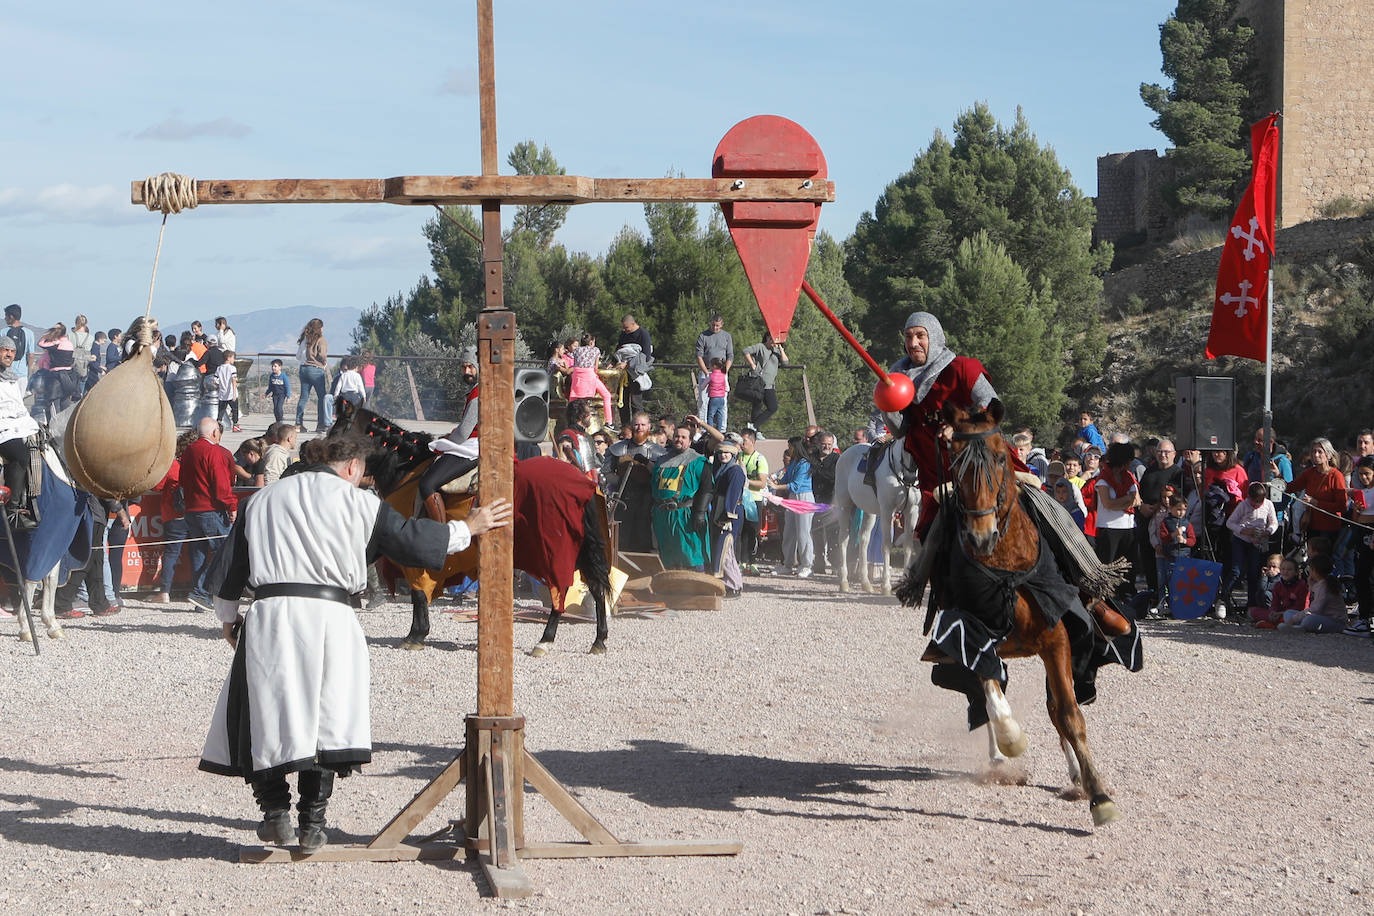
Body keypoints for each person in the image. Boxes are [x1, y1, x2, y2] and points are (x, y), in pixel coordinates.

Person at [199, 432, 512, 854]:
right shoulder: (361, 504)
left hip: (272, 617)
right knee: (326, 719)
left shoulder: (260, 500)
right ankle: (312, 824)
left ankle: (275, 815)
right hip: (332, 618)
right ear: (352, 467)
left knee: (266, 713)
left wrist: (227, 618)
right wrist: (466, 528)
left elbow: (234, 564)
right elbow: (412, 540)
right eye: (362, 474)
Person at [867, 312, 1000, 538]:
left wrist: (962, 425)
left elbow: (992, 405)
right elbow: (901, 431)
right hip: (936, 480)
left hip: (981, 471)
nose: (913, 343)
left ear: (935, 337)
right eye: (908, 337)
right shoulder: (899, 377)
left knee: (1037, 516)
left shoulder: (962, 369)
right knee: (930, 542)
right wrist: (887, 405)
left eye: (920, 335)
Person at [180, 417, 238, 612]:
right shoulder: (213, 451)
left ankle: (201, 598)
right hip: (212, 509)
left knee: (198, 553)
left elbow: (182, 480)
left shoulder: (189, 451)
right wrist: (231, 505)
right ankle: (201, 592)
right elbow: (222, 485)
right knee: (224, 551)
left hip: (192, 509)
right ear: (215, 433)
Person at [416, 349, 480, 523]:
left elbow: (464, 433)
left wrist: (445, 442)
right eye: (464, 367)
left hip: (474, 447)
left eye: (470, 367)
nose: (466, 371)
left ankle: (440, 535)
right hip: (474, 443)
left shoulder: (478, 393)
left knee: (427, 484)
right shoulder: (478, 390)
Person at [599, 411, 665, 553]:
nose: (639, 428)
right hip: (624, 499)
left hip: (648, 500)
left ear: (649, 427)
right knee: (622, 539)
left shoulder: (659, 452)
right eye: (636, 424)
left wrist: (647, 465)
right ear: (631, 426)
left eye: (642, 424)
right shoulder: (617, 449)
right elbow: (605, 473)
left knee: (644, 538)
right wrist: (622, 481)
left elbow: (662, 477)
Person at [650, 424, 713, 571]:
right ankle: (672, 590)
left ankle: (697, 589)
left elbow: (707, 488)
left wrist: (700, 513)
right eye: (677, 436)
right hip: (663, 516)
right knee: (668, 556)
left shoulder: (698, 461)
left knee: (690, 553)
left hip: (685, 516)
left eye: (683, 437)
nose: (679, 439)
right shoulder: (661, 461)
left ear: (690, 441)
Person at [150, 430, 196, 604]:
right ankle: (197, 590)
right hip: (196, 513)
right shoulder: (198, 463)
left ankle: (164, 592)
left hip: (173, 515)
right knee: (196, 552)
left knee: (170, 554)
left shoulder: (173, 465)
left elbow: (157, 486)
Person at [1134, 438, 1182, 596]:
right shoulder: (1150, 469)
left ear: (1174, 454)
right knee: (1147, 560)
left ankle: (1167, 595)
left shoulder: (1177, 473)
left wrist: (1157, 508)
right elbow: (1140, 491)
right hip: (1145, 520)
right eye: (1160, 451)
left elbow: (1178, 498)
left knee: (1164, 561)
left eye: (1166, 452)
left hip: (1164, 523)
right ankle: (1152, 593)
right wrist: (1141, 506)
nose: (1163, 455)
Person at [0, 336, 39, 529]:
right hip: (2, 428)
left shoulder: (13, 379)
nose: (9, 354)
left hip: (18, 424)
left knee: (42, 449)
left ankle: (32, 504)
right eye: (5, 350)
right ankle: (12, 511)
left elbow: (19, 407)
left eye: (12, 351)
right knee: (20, 456)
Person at [1093, 441, 1141, 599]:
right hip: (1109, 528)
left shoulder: (1129, 477)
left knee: (1128, 567)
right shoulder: (1103, 479)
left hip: (1128, 527)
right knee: (1109, 565)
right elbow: (1107, 504)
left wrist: (1124, 501)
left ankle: (1126, 595)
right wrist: (1127, 500)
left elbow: (1137, 501)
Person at [1226, 481, 1279, 612]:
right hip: (1241, 540)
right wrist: (1243, 531)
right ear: (1248, 497)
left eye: (1258, 502)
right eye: (1253, 502)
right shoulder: (1243, 505)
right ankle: (1224, 596)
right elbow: (1230, 523)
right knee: (1236, 571)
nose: (1255, 505)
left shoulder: (1268, 505)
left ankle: (1251, 603)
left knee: (1253, 573)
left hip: (1256, 542)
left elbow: (1274, 523)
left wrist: (1268, 531)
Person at [1283, 438, 1346, 547]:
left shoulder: (1336, 476)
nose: (1316, 455)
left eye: (1320, 452)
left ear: (1329, 455)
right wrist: (1279, 476)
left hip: (1329, 528)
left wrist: (1316, 502)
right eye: (1313, 451)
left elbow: (1342, 506)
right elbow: (1291, 487)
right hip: (1311, 526)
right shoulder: (1310, 473)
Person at [771, 436, 815, 577]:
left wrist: (777, 485)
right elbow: (785, 480)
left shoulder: (804, 463)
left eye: (790, 446)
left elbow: (795, 485)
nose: (788, 449)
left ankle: (806, 565)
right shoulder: (793, 463)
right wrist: (774, 480)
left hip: (804, 497)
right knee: (789, 532)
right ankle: (788, 564)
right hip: (792, 498)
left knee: (803, 533)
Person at [709, 434, 747, 598]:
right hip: (719, 510)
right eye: (721, 452)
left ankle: (734, 585)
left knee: (726, 550)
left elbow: (733, 494)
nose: (723, 455)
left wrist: (728, 516)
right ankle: (727, 584)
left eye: (727, 453)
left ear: (733, 455)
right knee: (722, 549)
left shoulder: (735, 471)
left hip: (730, 514)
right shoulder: (719, 470)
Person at [1153, 494, 1196, 618]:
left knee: (1184, 584)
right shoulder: (1166, 522)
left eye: (1183, 509)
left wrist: (1185, 541)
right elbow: (1164, 538)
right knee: (1171, 583)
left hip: (1185, 558)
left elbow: (1193, 540)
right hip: (1171, 558)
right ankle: (1172, 607)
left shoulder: (1188, 524)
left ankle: (1183, 607)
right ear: (1170, 508)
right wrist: (1173, 535)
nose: (1181, 512)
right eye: (1178, 509)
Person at [1279, 556, 1345, 633]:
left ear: (1315, 570)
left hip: (1335, 621)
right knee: (1288, 613)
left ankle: (1300, 627)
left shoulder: (1325, 586)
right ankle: (1298, 626)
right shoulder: (1320, 584)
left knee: (1310, 619)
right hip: (1321, 616)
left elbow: (1316, 609)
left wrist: (1294, 619)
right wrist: (1310, 584)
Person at [741, 332, 788, 434]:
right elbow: (745, 351)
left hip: (769, 384)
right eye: (771, 339)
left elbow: (785, 362)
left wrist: (780, 348)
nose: (773, 341)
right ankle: (755, 429)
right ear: (767, 338)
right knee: (760, 406)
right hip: (759, 382)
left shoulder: (776, 351)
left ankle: (753, 428)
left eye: (775, 339)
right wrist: (752, 364)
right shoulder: (760, 347)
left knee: (771, 407)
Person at [737, 428, 770, 574]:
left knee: (753, 532)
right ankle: (742, 561)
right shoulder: (738, 457)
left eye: (744, 440)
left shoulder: (759, 459)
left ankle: (753, 561)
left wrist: (745, 482)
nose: (741, 444)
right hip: (740, 500)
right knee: (740, 531)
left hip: (755, 500)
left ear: (752, 441)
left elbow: (762, 483)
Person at [694, 315, 734, 432]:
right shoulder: (703, 336)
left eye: (717, 325)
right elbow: (699, 355)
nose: (715, 328)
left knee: (723, 402)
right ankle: (704, 428)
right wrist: (706, 372)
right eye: (713, 325)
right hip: (706, 371)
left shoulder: (727, 336)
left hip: (721, 373)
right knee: (703, 401)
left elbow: (730, 355)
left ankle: (722, 429)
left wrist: (725, 370)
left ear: (721, 325)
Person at [567, 333, 614, 425]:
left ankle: (570, 421)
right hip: (590, 376)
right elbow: (595, 368)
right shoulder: (595, 350)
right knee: (606, 395)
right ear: (591, 342)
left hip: (578, 377)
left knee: (573, 399)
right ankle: (609, 421)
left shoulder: (576, 350)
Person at [615, 315, 652, 426]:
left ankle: (639, 426)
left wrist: (628, 364)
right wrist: (613, 363)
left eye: (626, 328)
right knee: (622, 402)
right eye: (623, 328)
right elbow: (618, 349)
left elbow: (646, 355)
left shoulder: (643, 334)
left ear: (633, 324)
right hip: (623, 374)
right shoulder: (623, 334)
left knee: (636, 403)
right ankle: (625, 427)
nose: (625, 330)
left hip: (636, 374)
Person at [36, 322, 77, 420]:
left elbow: (41, 343)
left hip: (56, 376)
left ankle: (53, 427)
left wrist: (48, 334)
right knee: (65, 402)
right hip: (69, 375)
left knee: (54, 404)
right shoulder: (69, 343)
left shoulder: (56, 344)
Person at [295, 318, 330, 431]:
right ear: (319, 328)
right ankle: (321, 424)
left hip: (303, 369)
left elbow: (298, 356)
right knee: (322, 398)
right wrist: (323, 362)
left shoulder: (305, 339)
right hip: (316, 369)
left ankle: (298, 423)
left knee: (303, 397)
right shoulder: (321, 340)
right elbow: (322, 355)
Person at [1256, 555, 1307, 628]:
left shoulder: (1301, 585)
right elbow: (1275, 603)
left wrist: (1282, 613)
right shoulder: (1278, 585)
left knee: (1289, 615)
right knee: (1253, 611)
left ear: (1296, 572)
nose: (1285, 572)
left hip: (1295, 613)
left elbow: (1301, 607)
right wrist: (1274, 612)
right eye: (1283, 569)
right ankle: (1276, 622)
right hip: (1280, 612)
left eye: (1289, 569)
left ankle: (1273, 624)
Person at [556, 399, 599, 481]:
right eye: (588, 414)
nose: (590, 416)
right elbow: (565, 462)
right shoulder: (568, 435)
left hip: (590, 483)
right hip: (577, 482)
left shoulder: (587, 436)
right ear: (580, 416)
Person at [4, 305, 35, 387]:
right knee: (19, 399)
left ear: (11, 317)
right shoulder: (29, 333)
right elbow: (31, 355)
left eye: (6, 316)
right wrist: (29, 373)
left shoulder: (3, 332)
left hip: (5, 374)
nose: (5, 318)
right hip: (22, 374)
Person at [69, 314, 94, 398]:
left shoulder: (70, 335)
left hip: (71, 366)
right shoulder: (90, 337)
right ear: (86, 324)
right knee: (81, 390)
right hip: (84, 366)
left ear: (76, 323)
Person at [215, 351, 241, 432]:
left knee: (221, 410)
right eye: (233, 358)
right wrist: (234, 393)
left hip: (222, 393)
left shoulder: (219, 368)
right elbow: (233, 380)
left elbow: (215, 380)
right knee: (235, 409)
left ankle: (217, 425)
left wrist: (220, 386)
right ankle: (235, 425)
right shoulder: (232, 368)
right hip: (230, 393)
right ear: (228, 358)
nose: (234, 360)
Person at [264, 359, 292, 424]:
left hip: (282, 395)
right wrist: (266, 394)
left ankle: (280, 420)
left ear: (280, 367)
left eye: (275, 366)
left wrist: (288, 397)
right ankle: (277, 421)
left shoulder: (284, 376)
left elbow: (287, 387)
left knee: (279, 408)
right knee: (275, 409)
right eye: (272, 366)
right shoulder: (272, 376)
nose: (273, 368)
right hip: (275, 395)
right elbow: (270, 387)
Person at [704, 357, 728, 431]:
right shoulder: (723, 375)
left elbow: (703, 386)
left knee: (710, 415)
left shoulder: (710, 376)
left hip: (713, 397)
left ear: (714, 366)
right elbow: (727, 388)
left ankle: (710, 431)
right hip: (721, 398)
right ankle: (719, 430)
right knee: (720, 415)